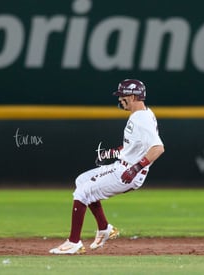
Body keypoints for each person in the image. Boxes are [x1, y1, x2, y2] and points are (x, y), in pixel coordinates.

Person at [49, 79, 164, 254]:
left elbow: (158, 148)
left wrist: (135, 168)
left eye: (122, 96)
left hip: (128, 172)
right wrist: (112, 153)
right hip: (122, 165)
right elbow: (134, 146)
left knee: (81, 193)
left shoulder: (142, 118)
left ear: (132, 96)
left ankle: (74, 242)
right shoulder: (143, 114)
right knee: (81, 181)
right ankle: (104, 228)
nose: (120, 100)